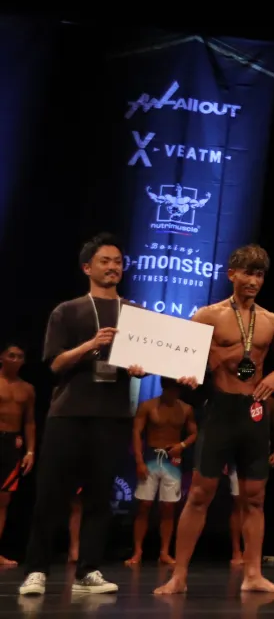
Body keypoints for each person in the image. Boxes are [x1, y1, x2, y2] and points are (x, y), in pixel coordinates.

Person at [19, 233, 175, 597]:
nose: (113, 267)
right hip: (69, 414)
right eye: (105, 261)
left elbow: (147, 362)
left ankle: (88, 570)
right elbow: (55, 364)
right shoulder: (68, 311)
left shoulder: (136, 313)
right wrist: (91, 345)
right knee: (51, 495)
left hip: (113, 415)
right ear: (87, 267)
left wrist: (141, 369)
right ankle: (37, 570)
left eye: (118, 261)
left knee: (100, 496)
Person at [155, 244, 274, 596]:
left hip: (254, 412)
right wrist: (189, 374)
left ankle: (253, 575)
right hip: (220, 409)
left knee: (255, 497)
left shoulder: (273, 321)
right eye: (247, 273)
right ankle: (179, 576)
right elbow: (180, 358)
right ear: (231, 274)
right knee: (199, 494)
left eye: (259, 275)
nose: (253, 281)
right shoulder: (208, 316)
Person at [126, 378, 197, 566]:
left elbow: (194, 433)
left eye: (176, 391)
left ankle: (164, 552)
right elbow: (136, 432)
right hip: (150, 457)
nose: (173, 394)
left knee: (168, 507)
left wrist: (182, 445)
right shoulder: (148, 406)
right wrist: (139, 461)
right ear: (164, 388)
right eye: (170, 390)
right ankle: (138, 551)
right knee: (144, 505)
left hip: (172, 461)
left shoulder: (186, 409)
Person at [227, 396, 274, 566]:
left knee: (255, 503)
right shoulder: (236, 397)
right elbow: (226, 429)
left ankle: (251, 552)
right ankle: (236, 551)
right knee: (238, 504)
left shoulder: (271, 402)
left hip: (259, 456)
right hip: (237, 455)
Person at [0, 344, 35, 566]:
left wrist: (30, 450)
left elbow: (29, 421)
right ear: (2, 357)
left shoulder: (27, 389)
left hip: (12, 444)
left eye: (20, 356)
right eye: (11, 355)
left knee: (3, 500)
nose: (15, 359)